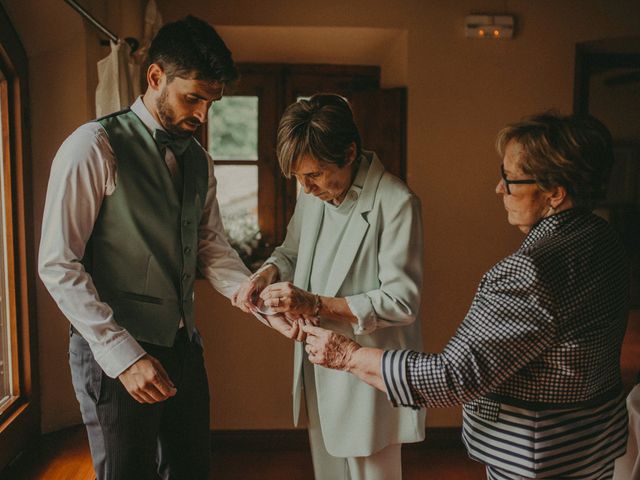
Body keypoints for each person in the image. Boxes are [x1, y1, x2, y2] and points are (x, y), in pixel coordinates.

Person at [302, 112, 630, 480]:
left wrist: (349, 355)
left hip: (536, 453)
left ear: (555, 192)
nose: (499, 188)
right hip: (595, 441)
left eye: (509, 178)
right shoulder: (605, 240)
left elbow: (453, 376)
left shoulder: (528, 271)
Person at [38, 15, 259, 480]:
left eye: (211, 102)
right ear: (155, 77)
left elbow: (210, 245)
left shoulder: (199, 160)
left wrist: (250, 291)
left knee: (192, 471)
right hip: (115, 351)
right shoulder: (93, 145)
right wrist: (124, 355)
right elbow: (58, 264)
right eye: (192, 98)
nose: (202, 116)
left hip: (184, 347)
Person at [232, 94, 426, 480]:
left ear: (350, 152)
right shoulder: (313, 195)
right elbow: (291, 250)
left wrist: (314, 303)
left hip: (368, 375)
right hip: (316, 366)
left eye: (314, 174)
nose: (304, 188)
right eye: (299, 177)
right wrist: (267, 273)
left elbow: (402, 302)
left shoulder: (397, 202)